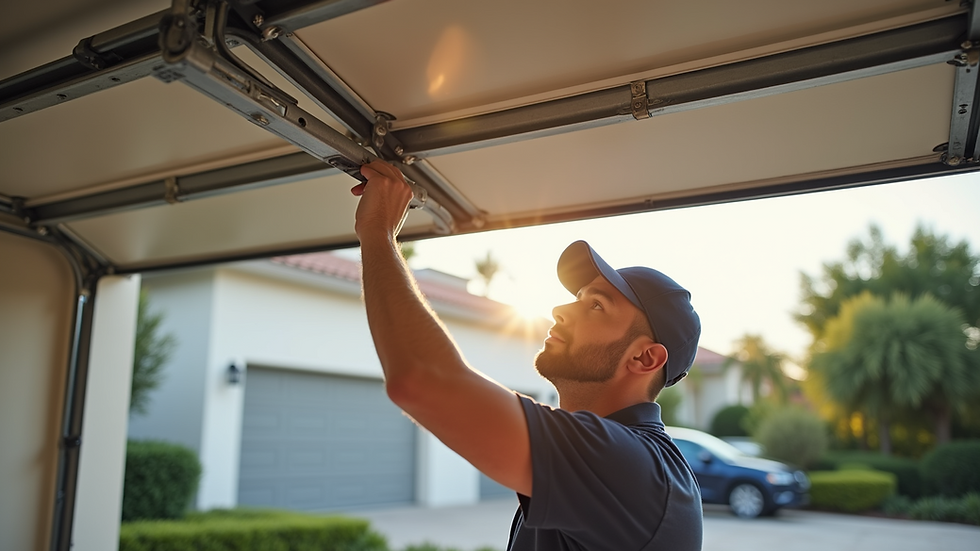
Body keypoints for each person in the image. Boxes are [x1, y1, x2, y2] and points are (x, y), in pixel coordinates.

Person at [352, 160, 703, 551]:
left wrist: (378, 230)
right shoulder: (606, 462)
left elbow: (422, 381)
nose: (561, 310)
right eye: (578, 298)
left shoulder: (633, 469)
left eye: (597, 306)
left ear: (644, 359)